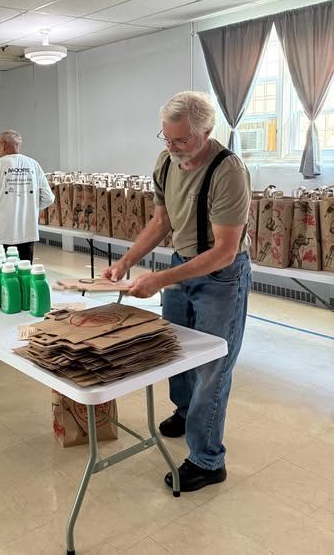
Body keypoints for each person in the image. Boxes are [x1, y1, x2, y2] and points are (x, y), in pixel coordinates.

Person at [103, 91, 252, 492]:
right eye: (166, 138)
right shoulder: (166, 162)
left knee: (213, 365)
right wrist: (126, 262)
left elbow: (225, 251)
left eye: (181, 140)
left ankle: (208, 460)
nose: (172, 147)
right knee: (175, 350)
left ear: (207, 131)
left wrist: (158, 280)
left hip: (222, 276)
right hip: (181, 263)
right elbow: (160, 222)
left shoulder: (228, 171)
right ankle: (187, 412)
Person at [0, 129, 54, 262]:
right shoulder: (33, 164)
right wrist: (31, 206)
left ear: (3, 145)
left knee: (1, 272)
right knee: (24, 271)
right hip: (27, 233)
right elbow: (49, 198)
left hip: (1, 234)